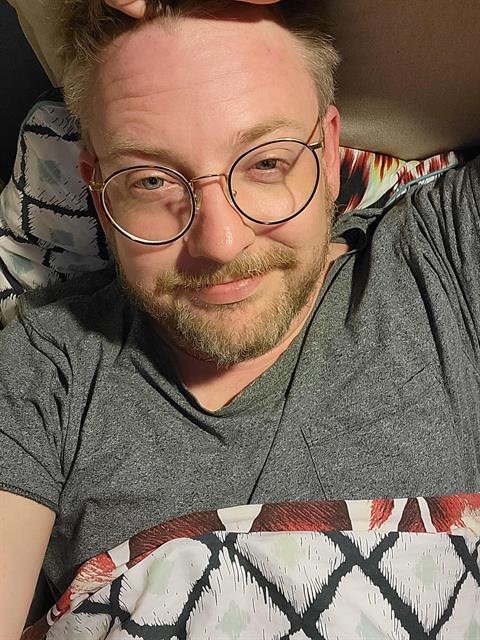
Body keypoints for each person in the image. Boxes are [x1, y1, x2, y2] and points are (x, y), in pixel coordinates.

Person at [1, 0, 480, 637]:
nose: (221, 244)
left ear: (329, 149)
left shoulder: (444, 259)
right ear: (94, 184)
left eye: (266, 163)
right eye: (151, 181)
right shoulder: (43, 371)